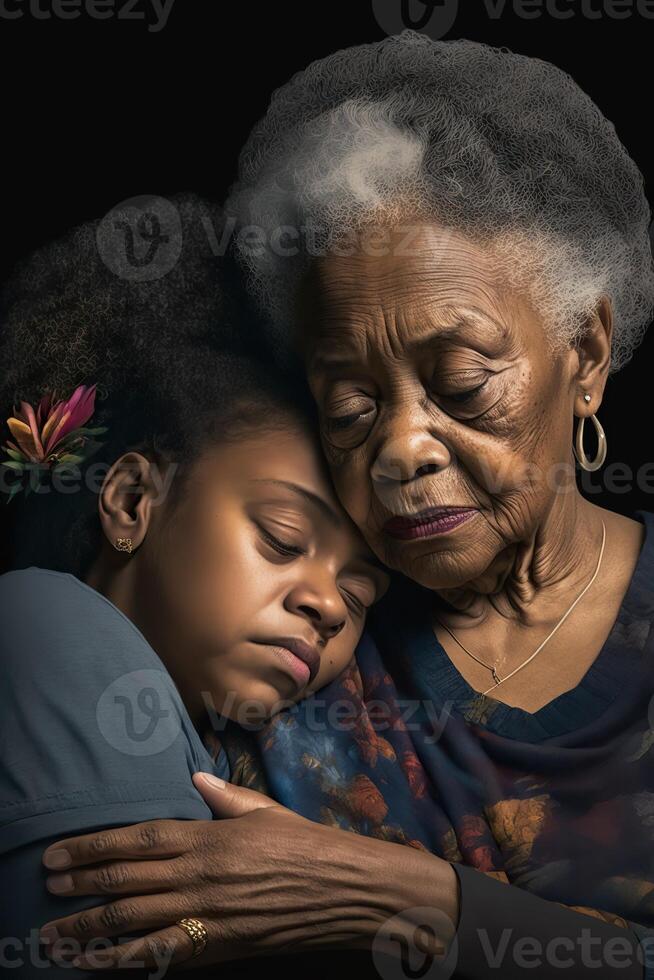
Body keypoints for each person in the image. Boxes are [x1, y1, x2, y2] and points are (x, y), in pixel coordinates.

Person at [36, 34, 654, 979]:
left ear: (588, 352)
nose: (402, 448)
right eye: (351, 407)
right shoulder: (279, 651)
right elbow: (169, 924)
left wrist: (409, 902)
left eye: (461, 381)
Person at [0, 194, 388, 977]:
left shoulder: (221, 748)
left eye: (360, 597)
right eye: (284, 539)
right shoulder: (45, 621)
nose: (327, 606)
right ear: (133, 501)